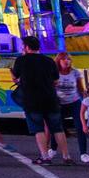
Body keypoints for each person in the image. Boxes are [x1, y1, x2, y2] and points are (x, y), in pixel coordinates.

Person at [12, 35, 70, 165]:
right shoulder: (49, 60)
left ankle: (45, 157)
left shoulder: (21, 60)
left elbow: (15, 77)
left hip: (32, 100)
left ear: (26, 47)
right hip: (50, 99)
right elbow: (56, 80)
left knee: (38, 129)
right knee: (57, 129)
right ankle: (67, 157)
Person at [55, 51, 87, 163]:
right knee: (58, 126)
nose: (66, 61)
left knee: (80, 126)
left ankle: (83, 153)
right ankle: (53, 149)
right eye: (64, 59)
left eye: (68, 59)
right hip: (59, 104)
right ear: (59, 61)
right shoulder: (55, 73)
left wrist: (85, 100)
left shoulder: (75, 73)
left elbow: (81, 89)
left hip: (74, 102)